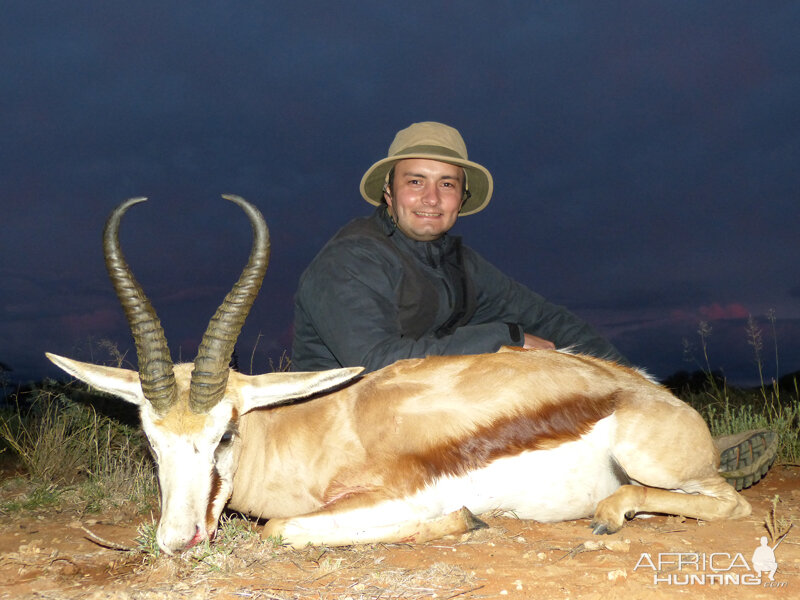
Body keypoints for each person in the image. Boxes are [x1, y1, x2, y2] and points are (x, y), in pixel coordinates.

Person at [291, 121, 776, 490]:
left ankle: (672, 450)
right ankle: (630, 478)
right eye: (416, 181)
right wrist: (507, 341)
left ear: (462, 196)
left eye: (447, 184)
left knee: (532, 369)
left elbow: (546, 319)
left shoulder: (458, 262)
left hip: (411, 420)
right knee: (507, 372)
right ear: (388, 191)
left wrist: (649, 401)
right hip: (337, 435)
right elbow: (372, 365)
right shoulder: (352, 258)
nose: (431, 198)